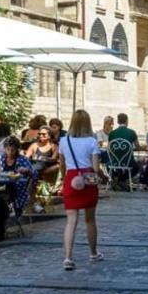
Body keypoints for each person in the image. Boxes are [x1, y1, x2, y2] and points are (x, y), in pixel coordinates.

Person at [58, 109, 103, 271]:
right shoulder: (92, 141)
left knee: (71, 221)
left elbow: (62, 164)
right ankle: (93, 253)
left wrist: (64, 179)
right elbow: (96, 168)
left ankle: (68, 257)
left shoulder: (63, 141)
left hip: (71, 178)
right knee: (90, 219)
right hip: (88, 179)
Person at [0, 136, 37, 220]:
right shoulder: (1, 158)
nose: (10, 152)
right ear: (4, 149)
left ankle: (11, 209)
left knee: (9, 191)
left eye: (12, 150)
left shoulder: (22, 159)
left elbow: (35, 174)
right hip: (3, 185)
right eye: (8, 149)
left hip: (18, 187)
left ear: (17, 149)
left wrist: (27, 171)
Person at [27, 126, 60, 211]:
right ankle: (34, 202)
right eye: (40, 134)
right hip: (35, 167)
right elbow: (27, 157)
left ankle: (32, 200)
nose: (41, 136)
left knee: (37, 169)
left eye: (44, 134)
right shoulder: (34, 145)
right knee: (34, 170)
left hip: (46, 168)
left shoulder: (54, 146)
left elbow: (54, 159)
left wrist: (39, 157)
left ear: (49, 135)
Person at [107, 113, 141, 188]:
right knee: (137, 167)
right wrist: (130, 148)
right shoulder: (132, 132)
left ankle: (116, 178)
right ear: (127, 121)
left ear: (118, 122)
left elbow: (109, 148)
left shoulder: (112, 133)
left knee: (108, 164)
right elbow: (138, 147)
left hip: (114, 162)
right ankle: (121, 180)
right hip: (128, 162)